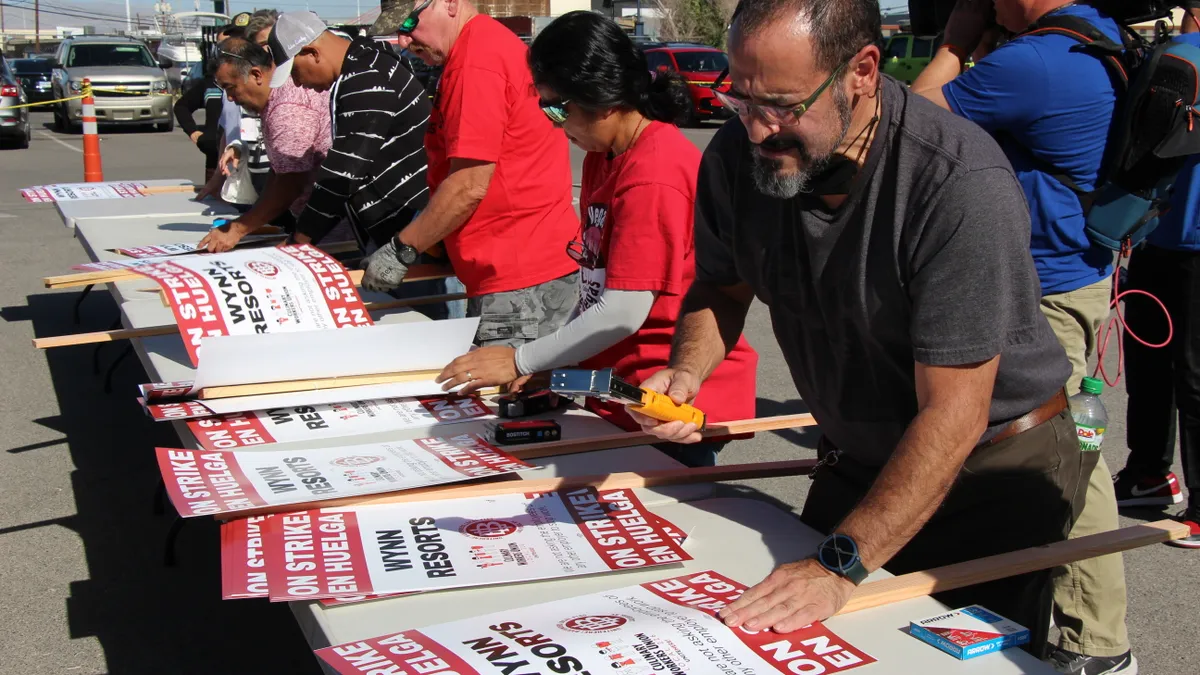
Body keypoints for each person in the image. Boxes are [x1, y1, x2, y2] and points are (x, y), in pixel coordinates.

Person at [633, 0, 1083, 658]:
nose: (758, 131)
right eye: (742, 100)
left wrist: (839, 565)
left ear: (863, 71)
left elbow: (955, 413)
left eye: (782, 105)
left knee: (944, 660)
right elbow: (722, 285)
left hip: (989, 470)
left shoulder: (955, 180)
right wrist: (689, 371)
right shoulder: (736, 155)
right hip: (861, 457)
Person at [911, 1, 1133, 671]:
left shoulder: (1034, 61)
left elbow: (914, 120)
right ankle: (1075, 626)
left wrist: (954, 41)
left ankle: (1093, 640)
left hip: (1048, 287)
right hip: (1078, 272)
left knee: (1062, 464)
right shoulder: (1095, 37)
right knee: (1063, 455)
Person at [434, 11, 758, 467]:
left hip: (667, 397)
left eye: (556, 107)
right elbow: (595, 286)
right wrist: (557, 369)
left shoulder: (654, 173)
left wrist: (521, 359)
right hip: (619, 388)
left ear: (602, 100)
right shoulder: (604, 155)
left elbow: (622, 312)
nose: (553, 123)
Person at [364, 0, 579, 347]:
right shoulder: (478, 48)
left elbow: (468, 186)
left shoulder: (476, 61)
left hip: (519, 277)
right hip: (513, 270)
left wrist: (403, 248)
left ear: (449, 3)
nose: (404, 41)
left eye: (408, 25)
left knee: (501, 395)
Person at [1113, 25, 1200, 549]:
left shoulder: (1181, 55)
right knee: (1150, 362)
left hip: (1186, 238)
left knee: (1191, 374)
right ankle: (1148, 473)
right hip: (1154, 231)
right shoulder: (1179, 55)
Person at [264, 11, 431, 251]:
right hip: (404, 227)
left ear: (312, 53)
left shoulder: (365, 78)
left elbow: (344, 173)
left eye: (295, 72)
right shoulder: (370, 62)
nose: (299, 83)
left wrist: (297, 243)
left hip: (413, 234)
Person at [200, 37, 333, 253]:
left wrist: (238, 229)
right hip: (315, 222)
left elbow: (291, 181)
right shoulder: (273, 101)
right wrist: (251, 221)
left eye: (230, 88)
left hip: (333, 228)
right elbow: (280, 170)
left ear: (256, 75)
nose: (230, 98)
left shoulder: (286, 108)